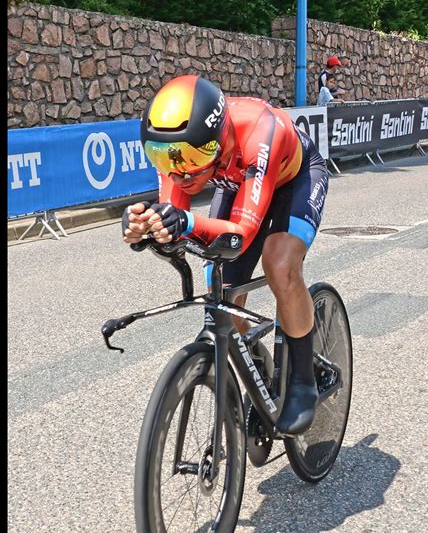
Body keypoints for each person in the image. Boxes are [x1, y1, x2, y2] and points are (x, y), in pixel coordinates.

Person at [123, 75, 329, 437]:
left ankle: (302, 380)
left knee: (280, 264)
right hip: (239, 184)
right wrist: (148, 227)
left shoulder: (260, 130)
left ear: (218, 140)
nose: (179, 171)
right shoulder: (179, 152)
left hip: (291, 179)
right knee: (219, 286)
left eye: (191, 157)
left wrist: (185, 221)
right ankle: (258, 364)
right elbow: (176, 221)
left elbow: (241, 234)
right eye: (163, 156)